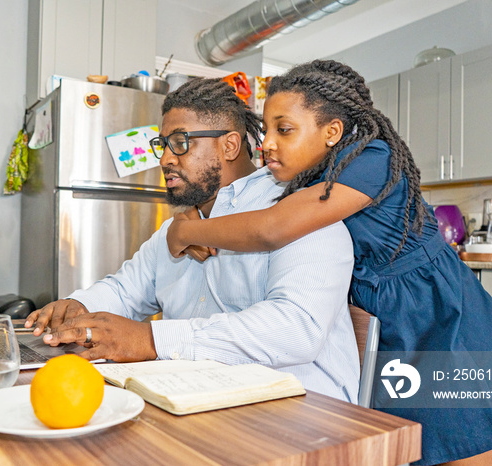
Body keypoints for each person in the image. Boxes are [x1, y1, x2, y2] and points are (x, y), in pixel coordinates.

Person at [164, 60, 492, 466]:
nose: (267, 143)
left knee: (467, 436)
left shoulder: (371, 159)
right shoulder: (306, 176)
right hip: (389, 322)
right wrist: (197, 212)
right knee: (407, 448)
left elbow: (273, 227)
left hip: (441, 320)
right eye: (266, 130)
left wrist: (184, 232)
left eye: (283, 129)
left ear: (333, 131)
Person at [25, 77, 359, 401]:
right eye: (163, 144)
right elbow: (125, 290)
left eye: (181, 142)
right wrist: (80, 307)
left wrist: (152, 339)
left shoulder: (299, 211)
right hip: (197, 401)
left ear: (228, 145)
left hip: (304, 414)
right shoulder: (179, 226)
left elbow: (296, 328)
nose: (165, 159)